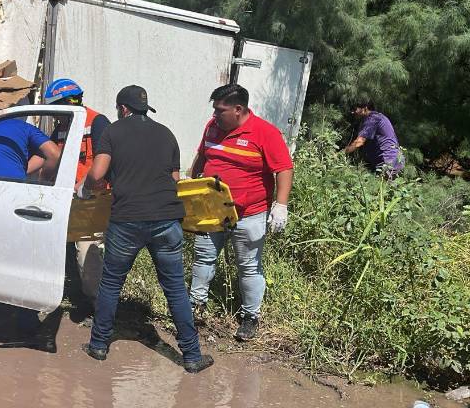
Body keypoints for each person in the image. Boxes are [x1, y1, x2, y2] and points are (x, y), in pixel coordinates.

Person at [80, 85, 214, 373]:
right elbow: (176, 180)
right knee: (176, 289)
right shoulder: (167, 134)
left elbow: (98, 174)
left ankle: (99, 345)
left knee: (112, 283)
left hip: (127, 220)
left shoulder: (112, 132)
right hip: (166, 219)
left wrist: (86, 188)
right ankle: (191, 356)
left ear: (122, 109)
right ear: (143, 108)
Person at [189, 83, 293, 341]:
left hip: (249, 213)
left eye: (220, 111)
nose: (215, 116)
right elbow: (202, 158)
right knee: (203, 258)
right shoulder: (212, 127)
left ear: (238, 109)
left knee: (248, 267)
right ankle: (195, 307)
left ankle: (250, 317)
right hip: (212, 209)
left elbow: (284, 169)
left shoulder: (265, 133)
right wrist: (191, 188)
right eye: (214, 110)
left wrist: (280, 205)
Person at [44, 78, 111, 307]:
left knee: (88, 253)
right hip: (68, 198)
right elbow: (49, 157)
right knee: (61, 246)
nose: (54, 117)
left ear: (67, 103)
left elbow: (105, 162)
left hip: (92, 199)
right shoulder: (62, 128)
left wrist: (83, 185)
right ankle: (72, 293)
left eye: (55, 110)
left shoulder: (97, 122)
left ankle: (97, 305)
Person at [343, 100, 404, 178]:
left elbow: (359, 142)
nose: (352, 112)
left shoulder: (373, 119)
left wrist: (341, 154)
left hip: (388, 161)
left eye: (355, 109)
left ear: (365, 108)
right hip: (391, 161)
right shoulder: (374, 118)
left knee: (384, 189)